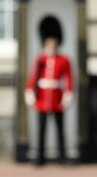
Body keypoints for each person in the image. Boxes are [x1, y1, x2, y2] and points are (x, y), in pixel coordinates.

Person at [24, 16, 73, 166]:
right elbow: (34, 77)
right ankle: (40, 156)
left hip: (57, 98)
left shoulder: (63, 60)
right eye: (48, 43)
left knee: (60, 129)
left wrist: (68, 94)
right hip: (43, 99)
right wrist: (30, 91)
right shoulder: (40, 60)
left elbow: (69, 78)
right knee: (41, 129)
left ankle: (62, 155)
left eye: (53, 43)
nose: (51, 45)